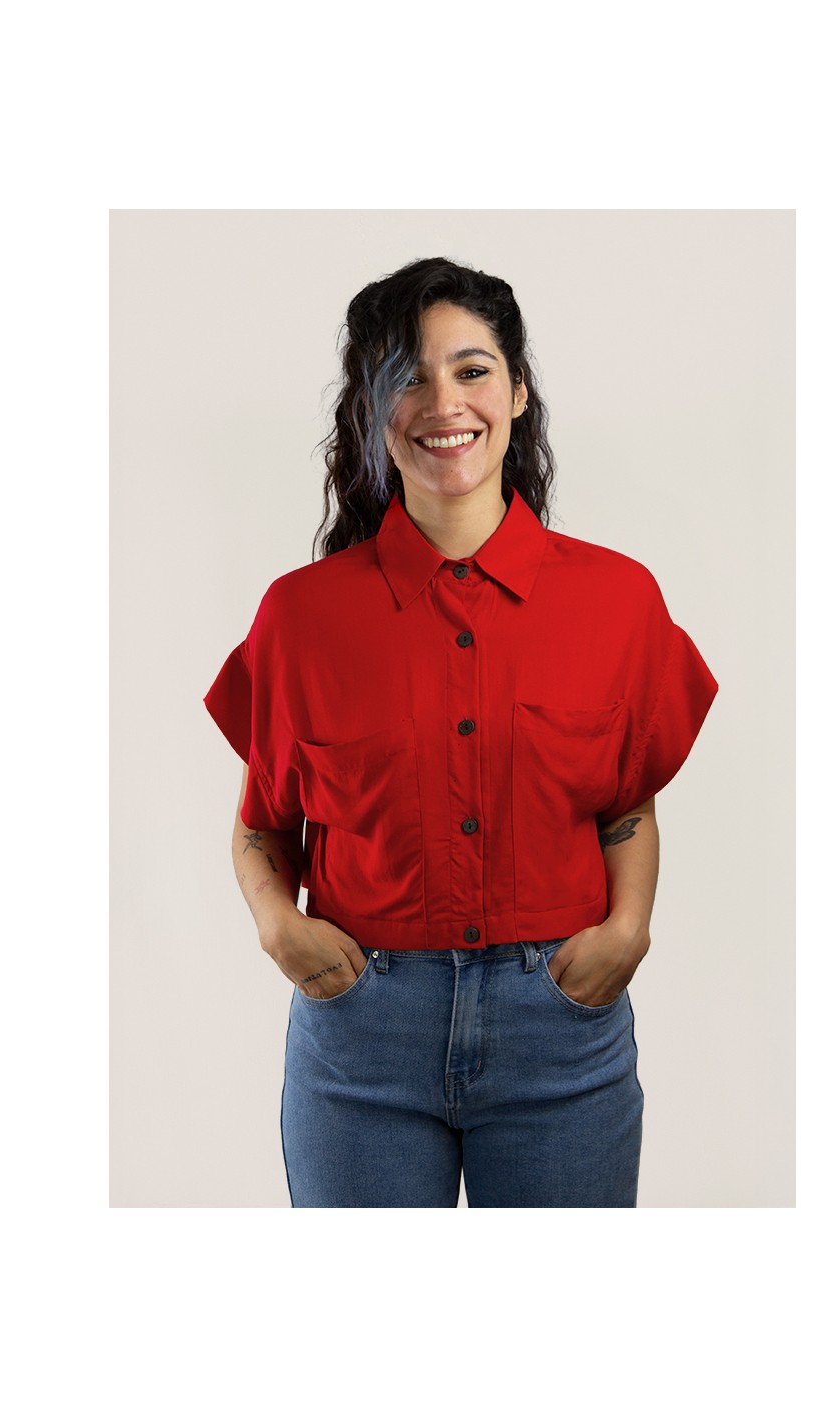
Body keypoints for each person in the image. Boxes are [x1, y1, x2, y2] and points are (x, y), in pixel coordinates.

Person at [203, 256, 718, 1207]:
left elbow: (627, 802)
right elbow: (261, 822)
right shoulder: (301, 618)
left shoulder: (617, 600)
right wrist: (279, 928)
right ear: (372, 409)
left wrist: (629, 928)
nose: (444, 401)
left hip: (560, 1029)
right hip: (362, 1039)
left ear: (517, 393)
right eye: (409, 375)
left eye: (472, 369)